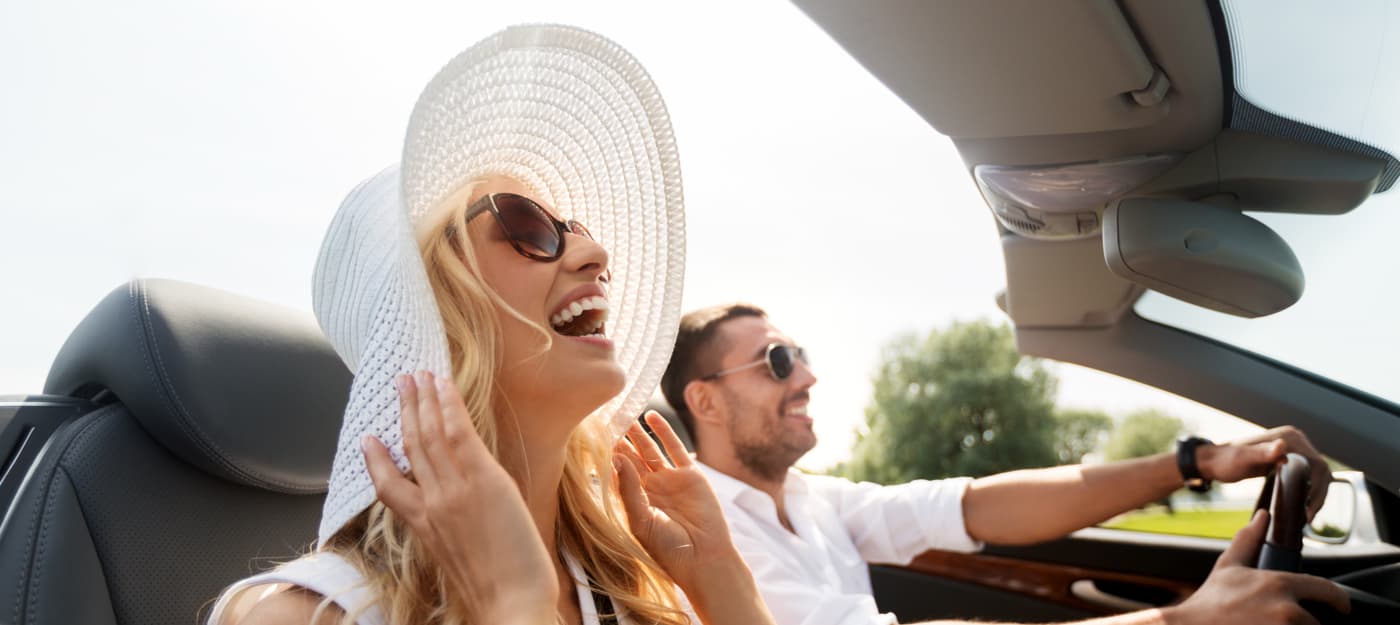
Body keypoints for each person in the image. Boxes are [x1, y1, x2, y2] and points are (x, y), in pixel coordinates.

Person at [208, 25, 775, 625]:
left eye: (578, 229)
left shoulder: (636, 589)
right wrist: (511, 605)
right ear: (431, 316)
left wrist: (726, 586)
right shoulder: (303, 614)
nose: (595, 256)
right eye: (527, 227)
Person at [660, 303, 1351, 625]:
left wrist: (1194, 459)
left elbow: (976, 505)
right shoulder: (706, 531)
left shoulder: (814, 500)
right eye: (779, 360)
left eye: (802, 353)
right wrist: (1181, 622)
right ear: (705, 402)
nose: (807, 375)